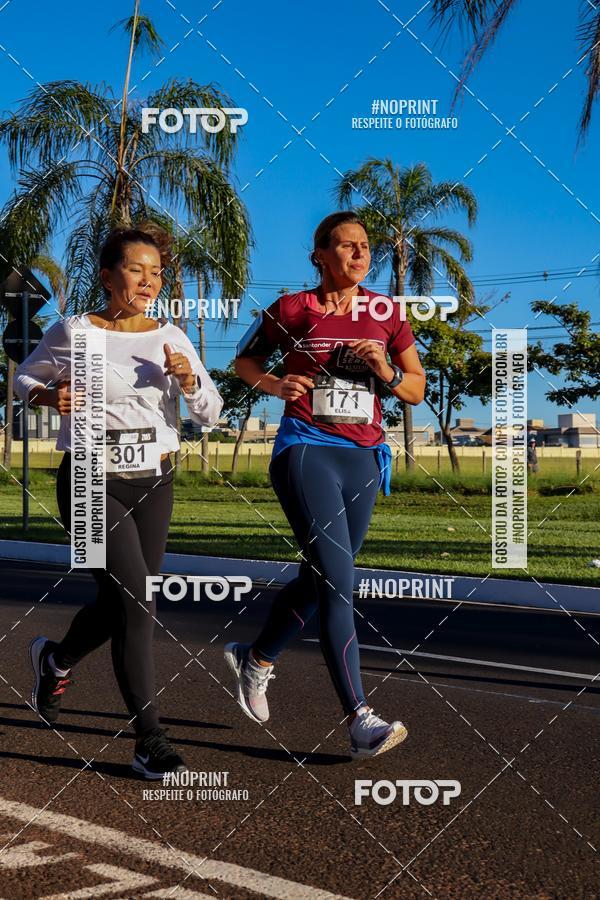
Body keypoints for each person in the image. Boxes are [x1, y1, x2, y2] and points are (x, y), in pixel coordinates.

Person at [15, 222, 223, 779]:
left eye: (156, 272)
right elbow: (23, 378)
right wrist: (45, 393)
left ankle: (54, 660)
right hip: (87, 478)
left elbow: (211, 414)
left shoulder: (171, 337)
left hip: (154, 480)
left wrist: (191, 383)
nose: (149, 281)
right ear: (108, 276)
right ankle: (148, 740)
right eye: (137, 269)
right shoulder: (75, 331)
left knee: (120, 604)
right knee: (138, 606)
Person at [224, 211, 426, 758]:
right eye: (345, 246)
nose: (359, 254)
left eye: (365, 246)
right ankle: (360, 719)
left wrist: (384, 370)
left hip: (364, 457)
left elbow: (415, 389)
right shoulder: (291, 308)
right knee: (340, 580)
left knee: (321, 576)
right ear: (319, 254)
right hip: (307, 448)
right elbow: (243, 361)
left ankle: (257, 657)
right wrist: (274, 382)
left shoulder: (388, 313)